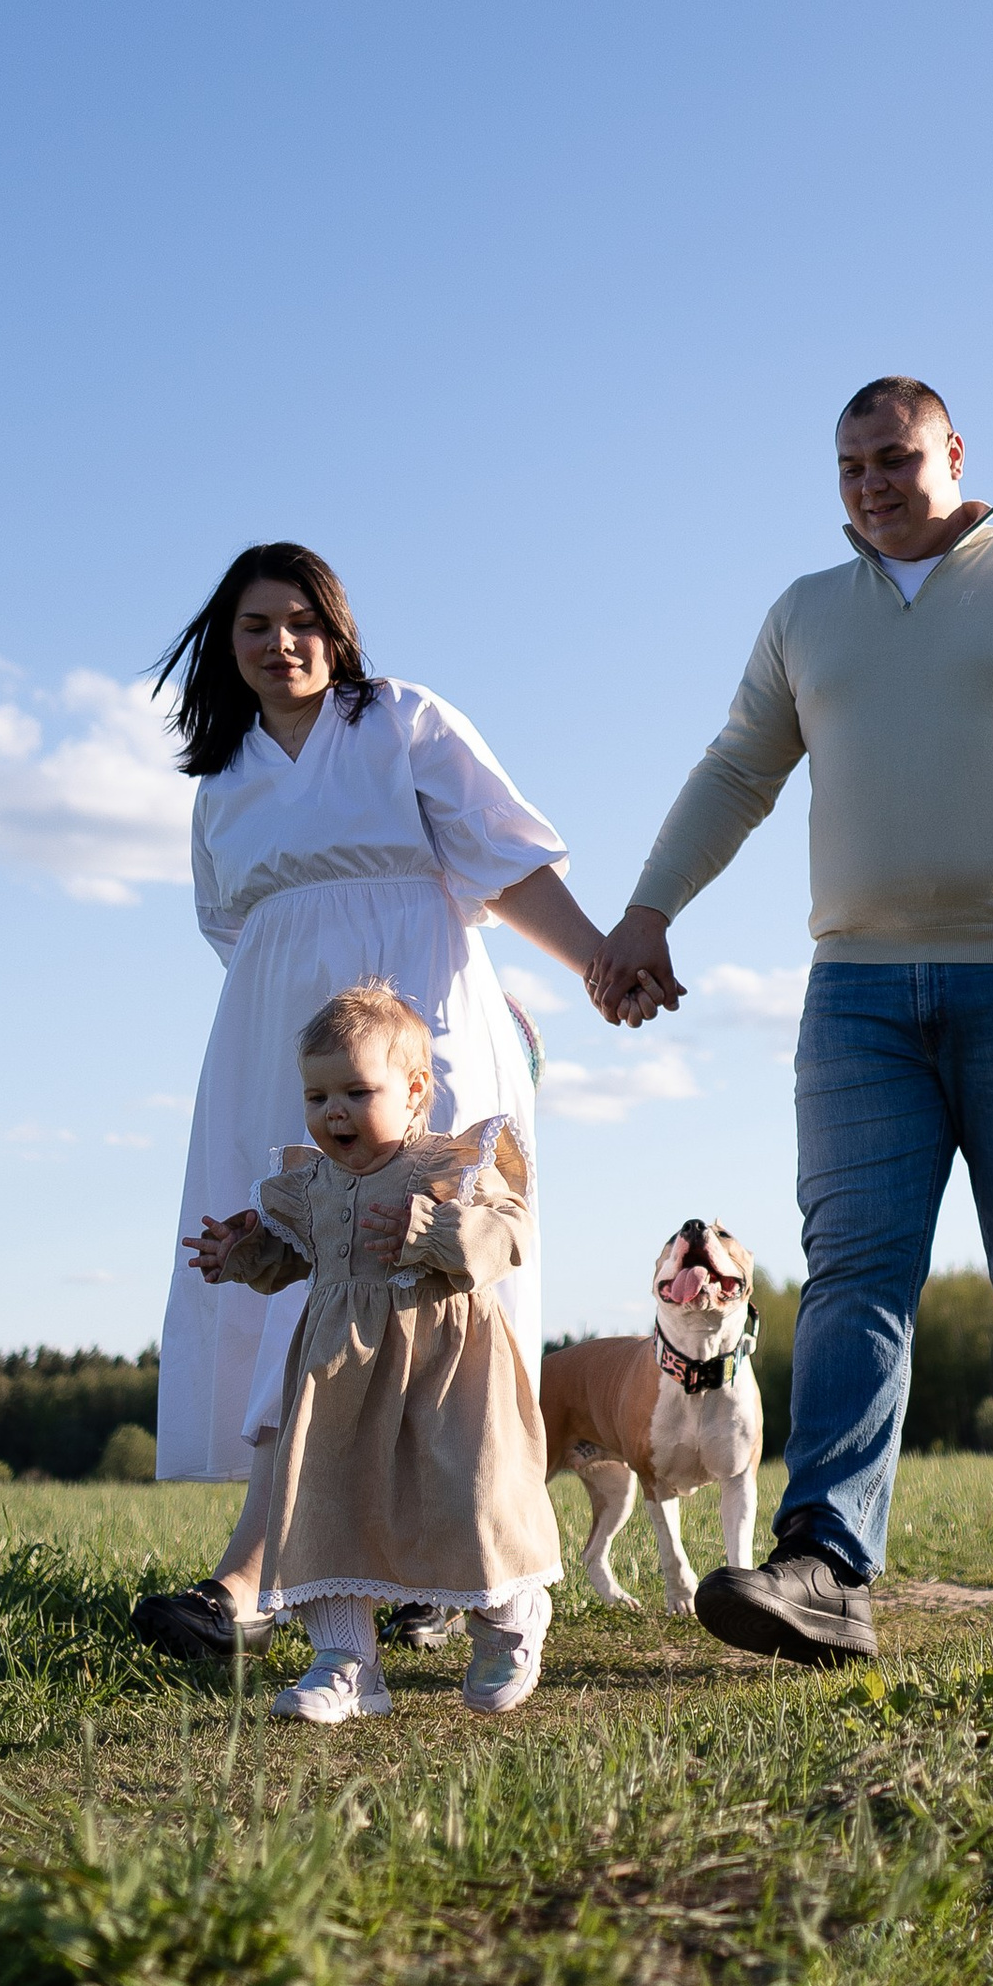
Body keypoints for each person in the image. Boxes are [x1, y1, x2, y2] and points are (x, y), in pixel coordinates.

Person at [588, 377, 993, 1659]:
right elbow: (736, 770)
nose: (871, 482)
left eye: (894, 458)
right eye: (849, 466)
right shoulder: (806, 614)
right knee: (854, 1274)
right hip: (859, 987)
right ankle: (824, 1562)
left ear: (954, 453)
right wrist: (649, 910)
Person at [133, 539, 627, 1663]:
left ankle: (408, 1568)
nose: (280, 642)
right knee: (299, 1283)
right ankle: (308, 1573)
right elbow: (235, 933)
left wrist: (593, 960)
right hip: (281, 1047)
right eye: (255, 625)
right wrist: (292, 1040)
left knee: (431, 1283)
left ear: (337, 628)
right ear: (228, 643)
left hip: (424, 1025)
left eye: (301, 619)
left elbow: (503, 865)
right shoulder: (222, 787)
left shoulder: (400, 722)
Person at [188, 983, 560, 1721]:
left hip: (447, 1378)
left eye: (357, 1091)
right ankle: (346, 1663)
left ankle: (508, 1620)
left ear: (416, 1089)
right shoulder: (308, 1186)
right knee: (325, 1499)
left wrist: (439, 1234)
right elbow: (291, 1259)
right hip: (340, 1375)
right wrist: (243, 1251)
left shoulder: (449, 1167)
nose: (334, 1112)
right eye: (317, 1095)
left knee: (469, 1494)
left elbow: (510, 1234)